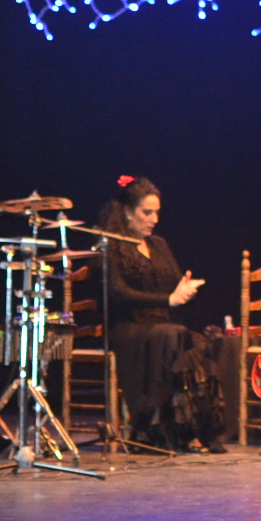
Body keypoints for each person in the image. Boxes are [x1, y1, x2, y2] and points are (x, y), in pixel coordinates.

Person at [97, 175, 217, 451]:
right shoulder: (113, 246)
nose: (154, 219)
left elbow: (174, 285)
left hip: (162, 326)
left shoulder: (158, 245)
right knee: (173, 336)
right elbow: (119, 293)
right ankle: (156, 428)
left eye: (157, 213)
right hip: (129, 327)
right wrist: (168, 299)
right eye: (147, 212)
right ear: (128, 213)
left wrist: (183, 290)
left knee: (196, 341)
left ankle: (189, 429)